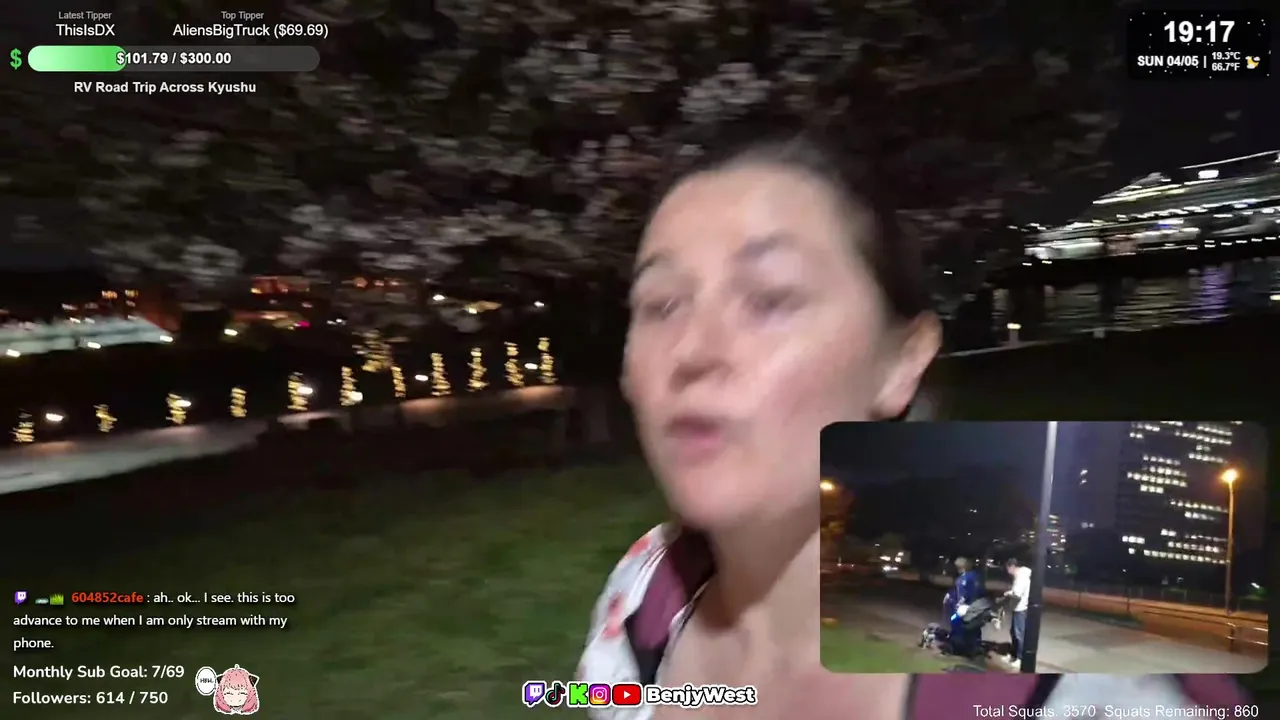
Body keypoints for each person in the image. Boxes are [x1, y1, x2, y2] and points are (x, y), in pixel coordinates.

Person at [576, 125, 1249, 718]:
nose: (692, 350)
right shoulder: (639, 604)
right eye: (661, 304)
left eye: (770, 298)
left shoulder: (1095, 695)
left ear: (901, 363)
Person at [944, 557, 983, 656]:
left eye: (958, 567)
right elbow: (957, 590)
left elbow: (969, 592)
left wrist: (961, 601)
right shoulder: (966, 577)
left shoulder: (968, 577)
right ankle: (966, 647)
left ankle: (962, 648)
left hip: (967, 607)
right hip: (967, 606)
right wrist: (949, 595)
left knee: (961, 625)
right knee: (964, 625)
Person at [1003, 557, 1032, 669]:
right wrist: (1010, 592)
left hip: (1020, 609)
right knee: (1014, 632)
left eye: (1007, 568)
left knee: (1019, 634)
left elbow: (1017, 595)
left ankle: (1020, 658)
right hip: (1017, 608)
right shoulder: (1019, 576)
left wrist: (1008, 595)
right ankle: (1013, 655)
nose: (1007, 571)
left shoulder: (1021, 577)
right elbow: (1016, 591)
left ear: (1012, 567)